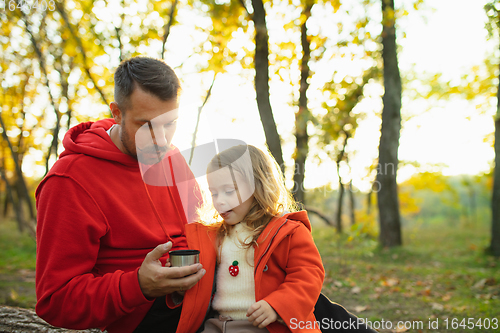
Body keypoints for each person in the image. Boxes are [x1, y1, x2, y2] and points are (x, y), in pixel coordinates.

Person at [35, 56, 205, 333]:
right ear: (116, 112)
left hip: (202, 294)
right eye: (146, 125)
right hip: (143, 317)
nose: (161, 140)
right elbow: (56, 301)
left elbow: (201, 232)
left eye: (169, 124)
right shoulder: (70, 180)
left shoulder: (174, 159)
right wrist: (138, 285)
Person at [176, 144, 325, 333]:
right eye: (214, 193)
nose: (219, 200)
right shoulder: (214, 235)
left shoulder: (288, 231)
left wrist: (277, 305)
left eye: (229, 191)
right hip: (217, 324)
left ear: (257, 186)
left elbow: (308, 276)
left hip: (266, 326)